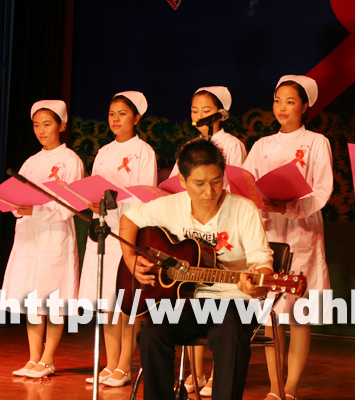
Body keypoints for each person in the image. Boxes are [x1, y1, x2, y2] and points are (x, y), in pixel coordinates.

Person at [118, 138, 273, 400]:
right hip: (182, 301)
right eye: (199, 183)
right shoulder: (170, 205)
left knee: (230, 333)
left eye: (216, 181)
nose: (209, 191)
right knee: (152, 334)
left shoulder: (244, 210)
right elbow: (129, 219)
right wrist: (130, 258)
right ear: (182, 180)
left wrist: (256, 286)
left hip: (233, 301)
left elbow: (263, 265)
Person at [242, 75, 333, 400]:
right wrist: (260, 201)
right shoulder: (262, 145)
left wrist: (289, 206)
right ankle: (275, 387)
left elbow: (322, 190)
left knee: (298, 313)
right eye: (278, 100)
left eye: (290, 101)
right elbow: (246, 183)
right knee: (271, 313)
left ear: (305, 106)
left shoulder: (316, 142)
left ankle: (291, 386)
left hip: (301, 229)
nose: (282, 107)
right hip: (268, 229)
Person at [168, 86, 246, 396]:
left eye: (206, 110)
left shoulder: (232, 144)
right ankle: (195, 373)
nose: (199, 115)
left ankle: (216, 373)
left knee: (220, 302)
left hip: (222, 225)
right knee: (193, 293)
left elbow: (236, 184)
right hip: (192, 227)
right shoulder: (190, 146)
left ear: (221, 113)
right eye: (194, 110)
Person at [77, 91, 157, 386]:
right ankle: (111, 364)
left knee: (126, 302)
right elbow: (95, 187)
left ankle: (125, 365)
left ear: (137, 118)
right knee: (106, 303)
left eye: (122, 114)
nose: (115, 119)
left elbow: (145, 194)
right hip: (102, 231)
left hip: (127, 233)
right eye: (112, 114)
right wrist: (93, 202)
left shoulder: (143, 151)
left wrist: (118, 203)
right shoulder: (104, 152)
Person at [3, 100, 84, 378]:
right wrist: (13, 205)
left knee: (53, 298)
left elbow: (71, 205)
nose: (41, 131)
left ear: (62, 126)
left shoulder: (71, 160)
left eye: (47, 124)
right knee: (32, 298)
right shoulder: (31, 162)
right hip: (29, 235)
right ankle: (33, 358)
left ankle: (48, 360)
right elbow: (17, 195)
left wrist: (36, 210)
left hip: (55, 235)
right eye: (36, 125)